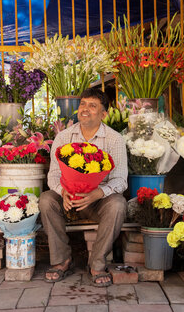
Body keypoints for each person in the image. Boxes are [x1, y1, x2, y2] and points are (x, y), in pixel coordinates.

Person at [40, 88, 128, 287]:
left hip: (97, 202)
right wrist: (63, 192)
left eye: (92, 105)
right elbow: (53, 174)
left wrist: (97, 193)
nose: (85, 109)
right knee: (46, 200)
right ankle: (61, 260)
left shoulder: (115, 139)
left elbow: (121, 180)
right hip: (67, 200)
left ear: (104, 114)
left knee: (118, 205)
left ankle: (97, 264)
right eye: (82, 104)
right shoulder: (63, 137)